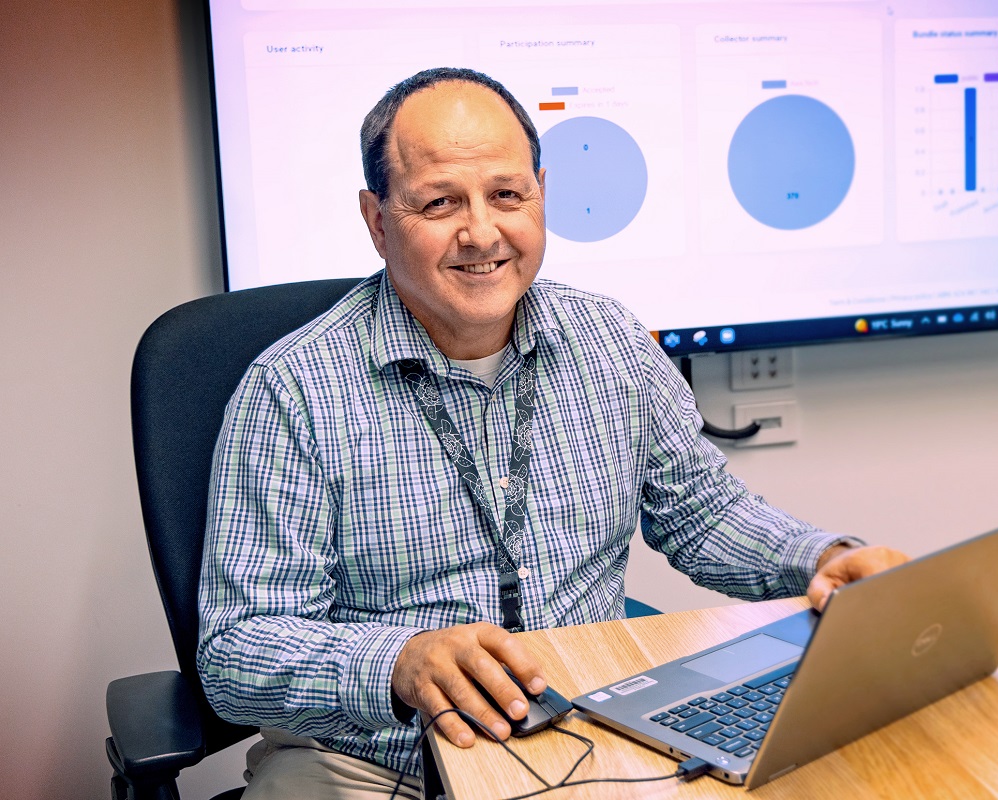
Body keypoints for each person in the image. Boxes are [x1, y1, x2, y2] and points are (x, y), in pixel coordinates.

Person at [197, 67, 908, 799]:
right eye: (439, 202)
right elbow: (236, 650)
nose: (481, 232)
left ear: (540, 193)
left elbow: (704, 513)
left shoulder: (610, 340)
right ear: (378, 221)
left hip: (585, 736)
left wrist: (821, 557)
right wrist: (398, 663)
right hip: (375, 765)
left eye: (507, 196)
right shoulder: (293, 390)